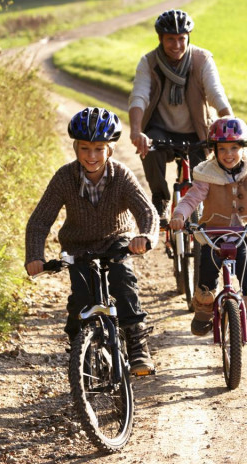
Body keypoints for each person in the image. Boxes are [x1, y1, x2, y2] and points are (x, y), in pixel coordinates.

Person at [25, 107, 159, 375]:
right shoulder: (65, 178)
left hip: (116, 240)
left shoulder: (121, 175)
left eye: (99, 149)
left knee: (123, 283)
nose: (92, 156)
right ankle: (79, 351)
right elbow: (40, 221)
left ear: (110, 149)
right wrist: (34, 256)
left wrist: (145, 236)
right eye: (85, 149)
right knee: (80, 302)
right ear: (75, 147)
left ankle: (136, 346)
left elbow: (146, 211)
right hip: (79, 246)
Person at [168, 116, 247, 338]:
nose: (229, 154)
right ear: (214, 150)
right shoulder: (207, 174)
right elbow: (191, 199)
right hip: (213, 231)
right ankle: (204, 310)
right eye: (223, 149)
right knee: (208, 263)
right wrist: (180, 214)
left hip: (243, 231)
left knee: (246, 264)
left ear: (243, 148)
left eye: (234, 148)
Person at [128, 8, 234, 221]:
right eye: (170, 39)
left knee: (201, 182)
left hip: (197, 132)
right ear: (160, 38)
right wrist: (137, 131)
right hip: (161, 130)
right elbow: (139, 97)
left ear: (188, 38)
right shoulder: (148, 63)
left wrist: (230, 122)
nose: (176, 45)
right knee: (150, 148)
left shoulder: (201, 60)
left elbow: (216, 94)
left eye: (181, 39)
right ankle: (161, 198)